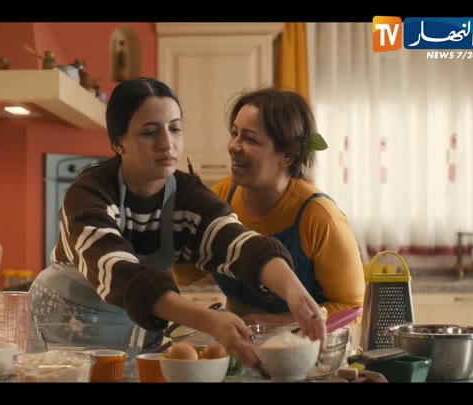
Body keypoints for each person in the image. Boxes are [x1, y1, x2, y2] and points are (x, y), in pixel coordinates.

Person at [28, 78, 326, 368]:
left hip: (138, 327)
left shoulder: (187, 195)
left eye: (174, 129)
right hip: (65, 326)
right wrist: (209, 320)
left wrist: (293, 290)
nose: (166, 143)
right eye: (149, 132)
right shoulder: (88, 194)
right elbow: (118, 270)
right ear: (119, 142)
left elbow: (235, 241)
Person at [173, 87, 365, 325]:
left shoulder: (321, 218)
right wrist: (179, 221)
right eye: (234, 133)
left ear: (287, 155)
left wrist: (272, 323)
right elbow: (188, 275)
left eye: (250, 139)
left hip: (307, 343)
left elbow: (351, 307)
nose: (233, 146)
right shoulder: (222, 196)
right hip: (238, 338)